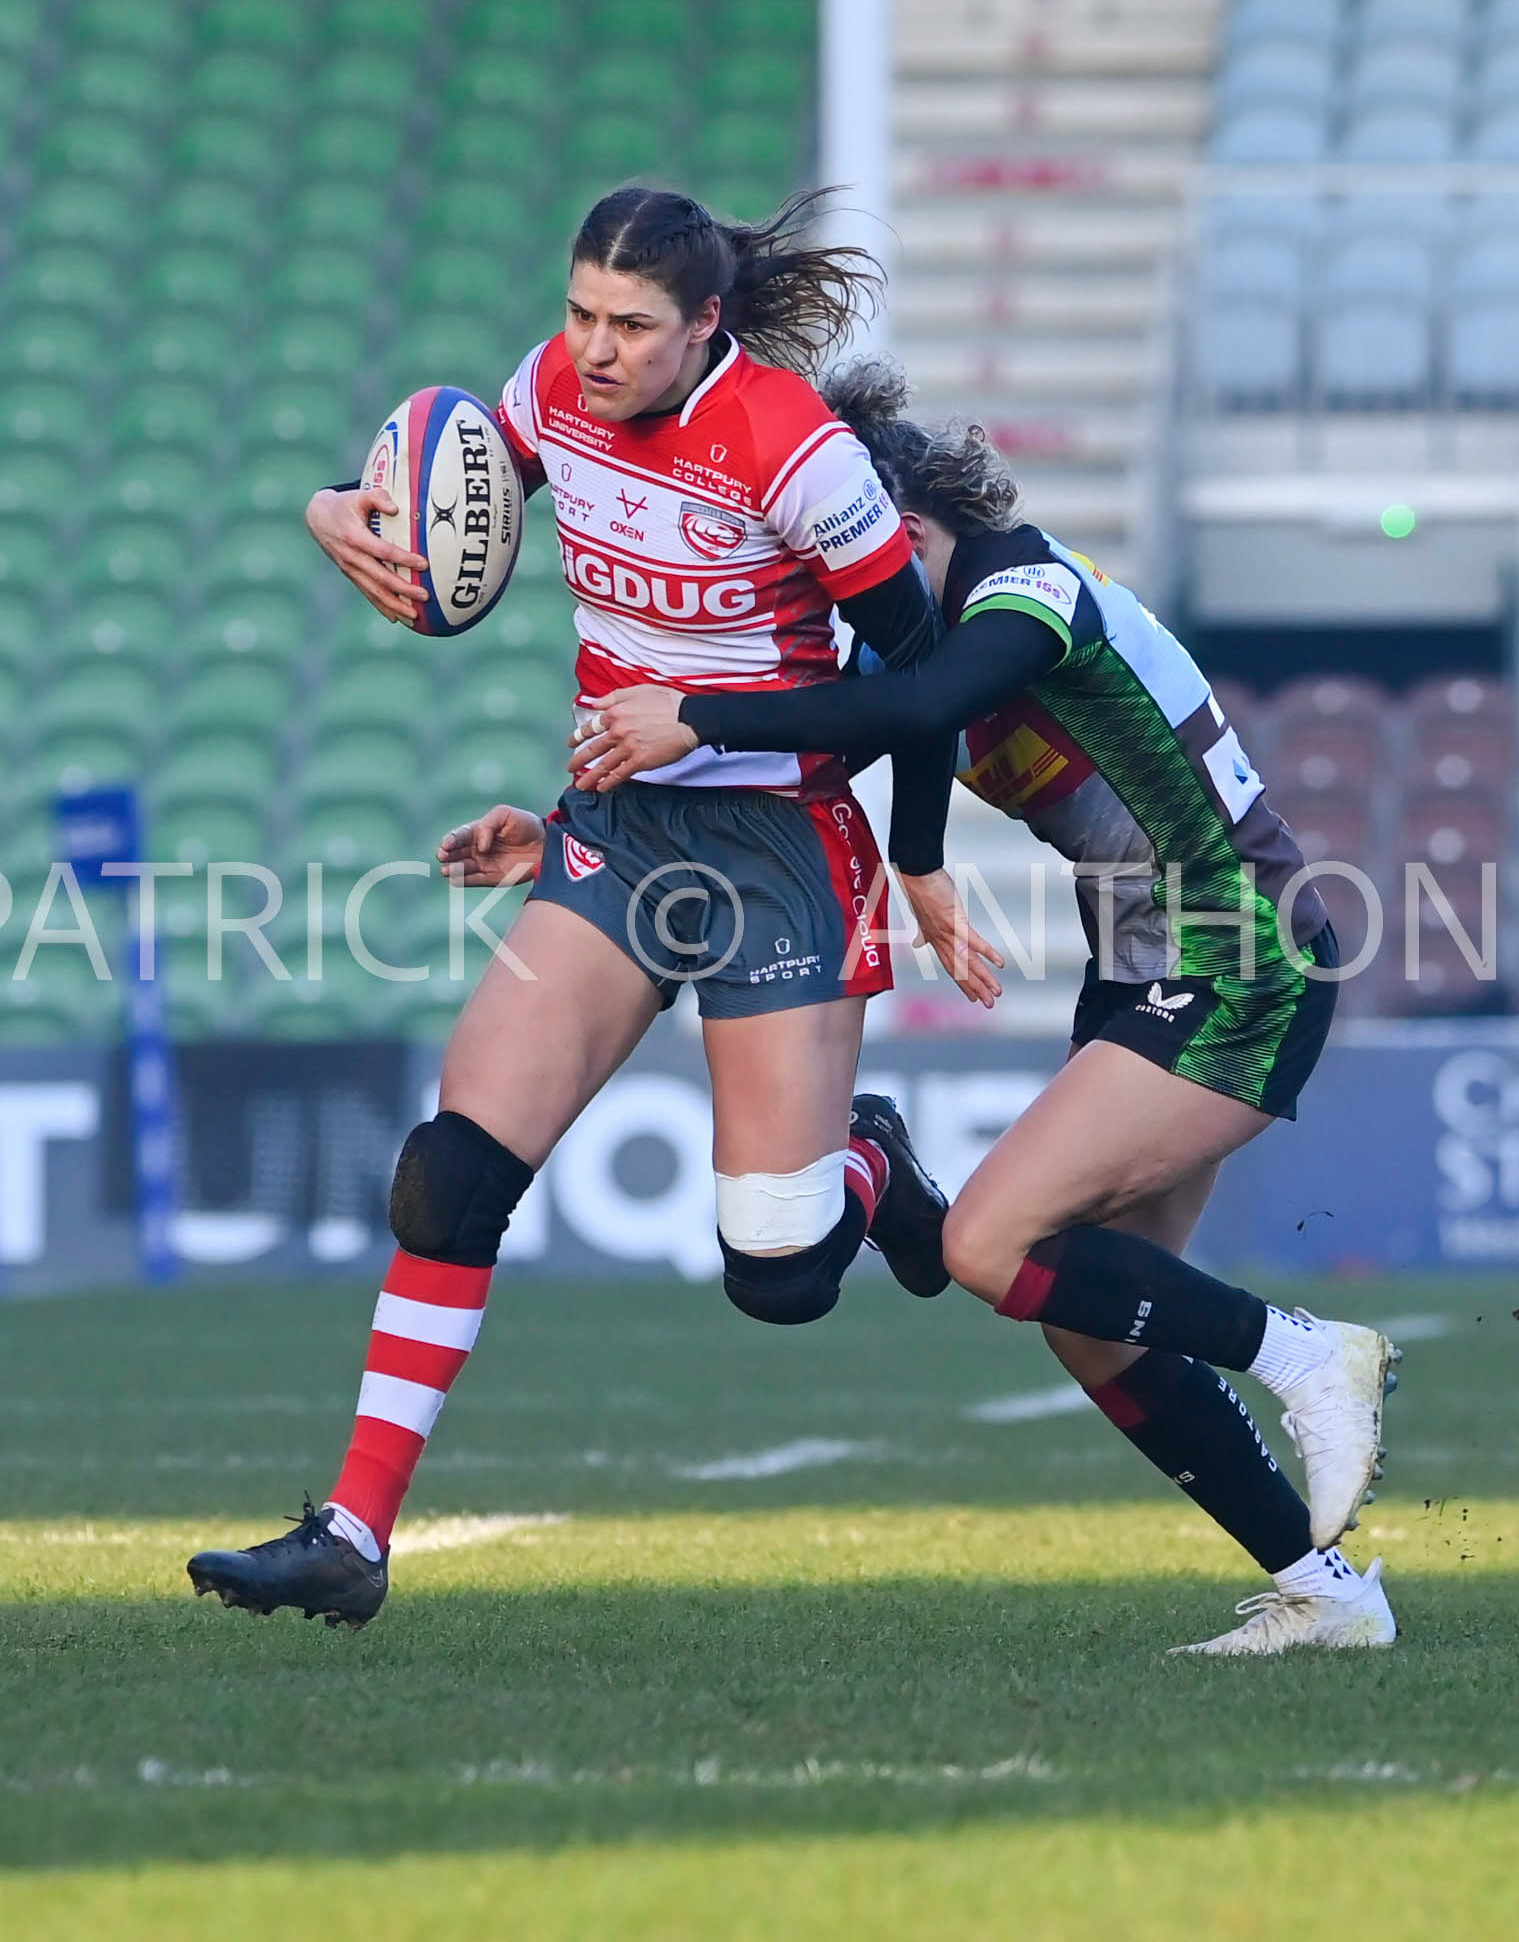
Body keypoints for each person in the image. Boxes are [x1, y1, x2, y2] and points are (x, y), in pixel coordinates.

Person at [188, 190, 971, 1631]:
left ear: (704, 327)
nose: (592, 350)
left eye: (630, 326)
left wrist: (732, 731)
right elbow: (428, 511)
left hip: (781, 844)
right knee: (452, 1170)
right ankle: (352, 1535)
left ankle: (872, 1170)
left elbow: (922, 691)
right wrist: (327, 511)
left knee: (783, 1278)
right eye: (579, 313)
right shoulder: (549, 394)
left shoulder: (796, 450)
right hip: (616, 831)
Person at [564, 358, 1403, 1655]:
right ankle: (1328, 1590)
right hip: (1148, 961)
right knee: (1086, 1311)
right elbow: (888, 727)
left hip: (1243, 952)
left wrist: (698, 707)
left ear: (892, 519)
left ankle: (1305, 1353)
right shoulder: (935, 625)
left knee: (987, 1248)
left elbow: (917, 705)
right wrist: (581, 827)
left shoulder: (1027, 586)